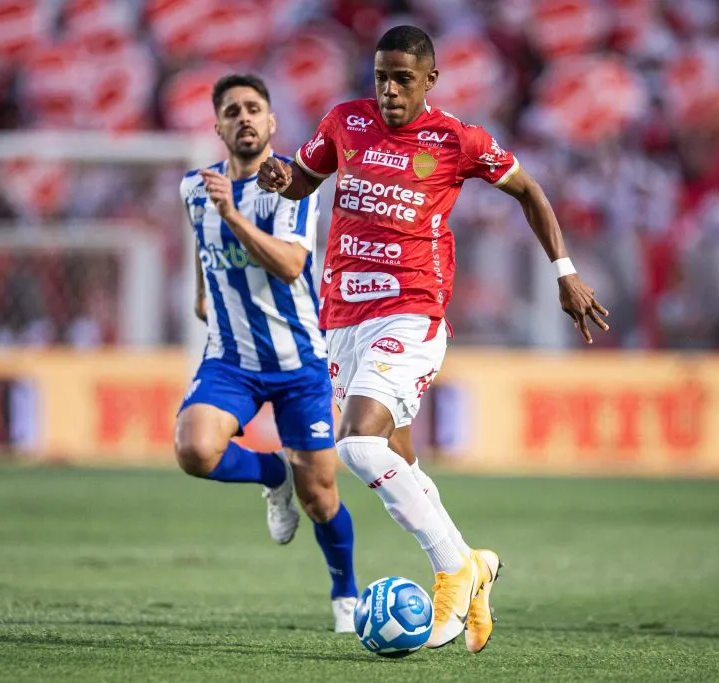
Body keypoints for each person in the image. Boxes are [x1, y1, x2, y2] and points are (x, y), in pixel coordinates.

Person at [257, 26, 610, 652]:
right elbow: (305, 179)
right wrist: (280, 177)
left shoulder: (457, 140)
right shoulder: (344, 122)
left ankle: (454, 568)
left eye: (401, 78)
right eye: (380, 77)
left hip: (412, 312)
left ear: (429, 81)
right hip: (342, 317)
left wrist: (565, 272)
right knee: (399, 457)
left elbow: (528, 190)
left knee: (358, 446)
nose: (389, 90)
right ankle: (476, 563)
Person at [176, 74, 358, 633]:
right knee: (195, 450)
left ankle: (345, 591)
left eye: (254, 108)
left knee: (321, 497)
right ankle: (268, 472)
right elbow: (205, 252)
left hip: (299, 360)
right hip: (231, 358)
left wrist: (233, 216)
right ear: (218, 127)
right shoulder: (193, 189)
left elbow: (291, 265)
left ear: (272, 122)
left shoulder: (290, 186)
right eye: (232, 111)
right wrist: (205, 295)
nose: (245, 118)